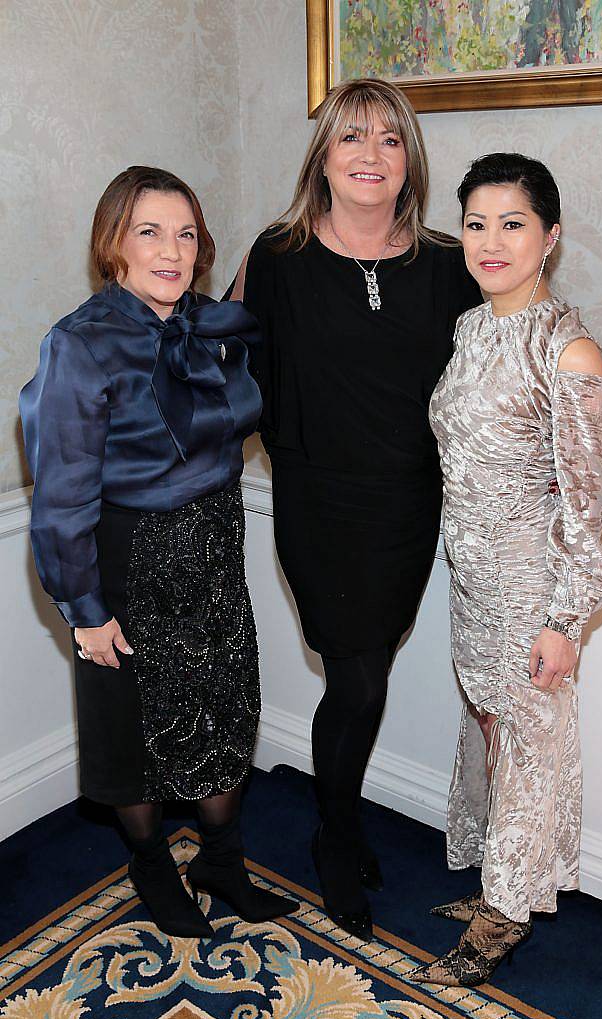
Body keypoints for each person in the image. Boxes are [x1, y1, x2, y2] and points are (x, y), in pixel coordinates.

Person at [229, 78, 481, 939]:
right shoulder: (278, 256)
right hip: (318, 501)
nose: (370, 155)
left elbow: (486, 387)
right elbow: (227, 372)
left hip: (409, 507)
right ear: (324, 158)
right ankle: (337, 837)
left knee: (362, 675)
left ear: (408, 159)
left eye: (389, 139)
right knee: (358, 676)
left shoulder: (450, 265)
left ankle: (337, 821)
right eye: (351, 138)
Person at [19, 166, 298, 939]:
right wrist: (84, 610)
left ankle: (221, 860)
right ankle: (150, 868)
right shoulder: (80, 346)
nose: (172, 250)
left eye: (185, 233)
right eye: (149, 231)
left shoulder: (213, 324)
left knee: (223, 713)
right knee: (135, 735)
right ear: (114, 244)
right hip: (126, 561)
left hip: (213, 547)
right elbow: (61, 493)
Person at [412, 152, 602, 986]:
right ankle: (505, 879)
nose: (490, 241)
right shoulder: (471, 327)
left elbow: (585, 503)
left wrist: (565, 623)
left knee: (531, 748)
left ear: (551, 236)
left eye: (513, 223)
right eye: (475, 223)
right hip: (473, 579)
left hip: (534, 588)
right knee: (495, 732)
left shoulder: (571, 354)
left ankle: (505, 915)